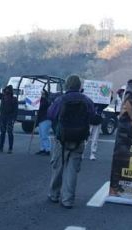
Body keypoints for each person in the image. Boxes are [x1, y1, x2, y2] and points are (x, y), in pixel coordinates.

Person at [47, 75, 95, 209]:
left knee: (58, 168)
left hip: (61, 140)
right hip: (79, 140)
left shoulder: (61, 100)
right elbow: (92, 117)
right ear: (79, 86)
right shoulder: (86, 100)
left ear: (67, 85)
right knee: (72, 171)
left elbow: (50, 114)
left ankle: (54, 194)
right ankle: (68, 200)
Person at [0, 85, 18, 154]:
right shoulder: (3, 97)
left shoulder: (14, 99)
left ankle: (10, 148)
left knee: (10, 133)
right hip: (2, 117)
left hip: (10, 117)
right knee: (2, 132)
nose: (6, 91)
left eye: (7, 90)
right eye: (6, 90)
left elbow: (16, 110)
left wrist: (14, 119)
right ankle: (1, 147)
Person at [35, 89, 52, 156]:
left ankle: (47, 149)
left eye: (42, 93)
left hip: (45, 119)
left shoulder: (46, 101)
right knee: (42, 135)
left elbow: (41, 106)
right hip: (41, 119)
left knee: (45, 135)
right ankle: (42, 149)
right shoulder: (41, 100)